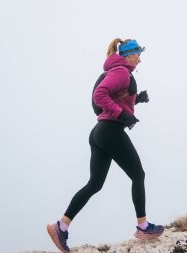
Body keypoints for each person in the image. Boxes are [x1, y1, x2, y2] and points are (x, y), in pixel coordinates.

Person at [46, 38, 164, 253]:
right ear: (129, 54)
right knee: (138, 175)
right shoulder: (121, 72)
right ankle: (143, 227)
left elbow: (114, 97)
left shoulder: (118, 71)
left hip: (99, 133)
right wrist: (123, 115)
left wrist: (136, 100)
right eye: (138, 54)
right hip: (110, 130)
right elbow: (100, 95)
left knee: (95, 184)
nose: (140, 59)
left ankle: (60, 226)